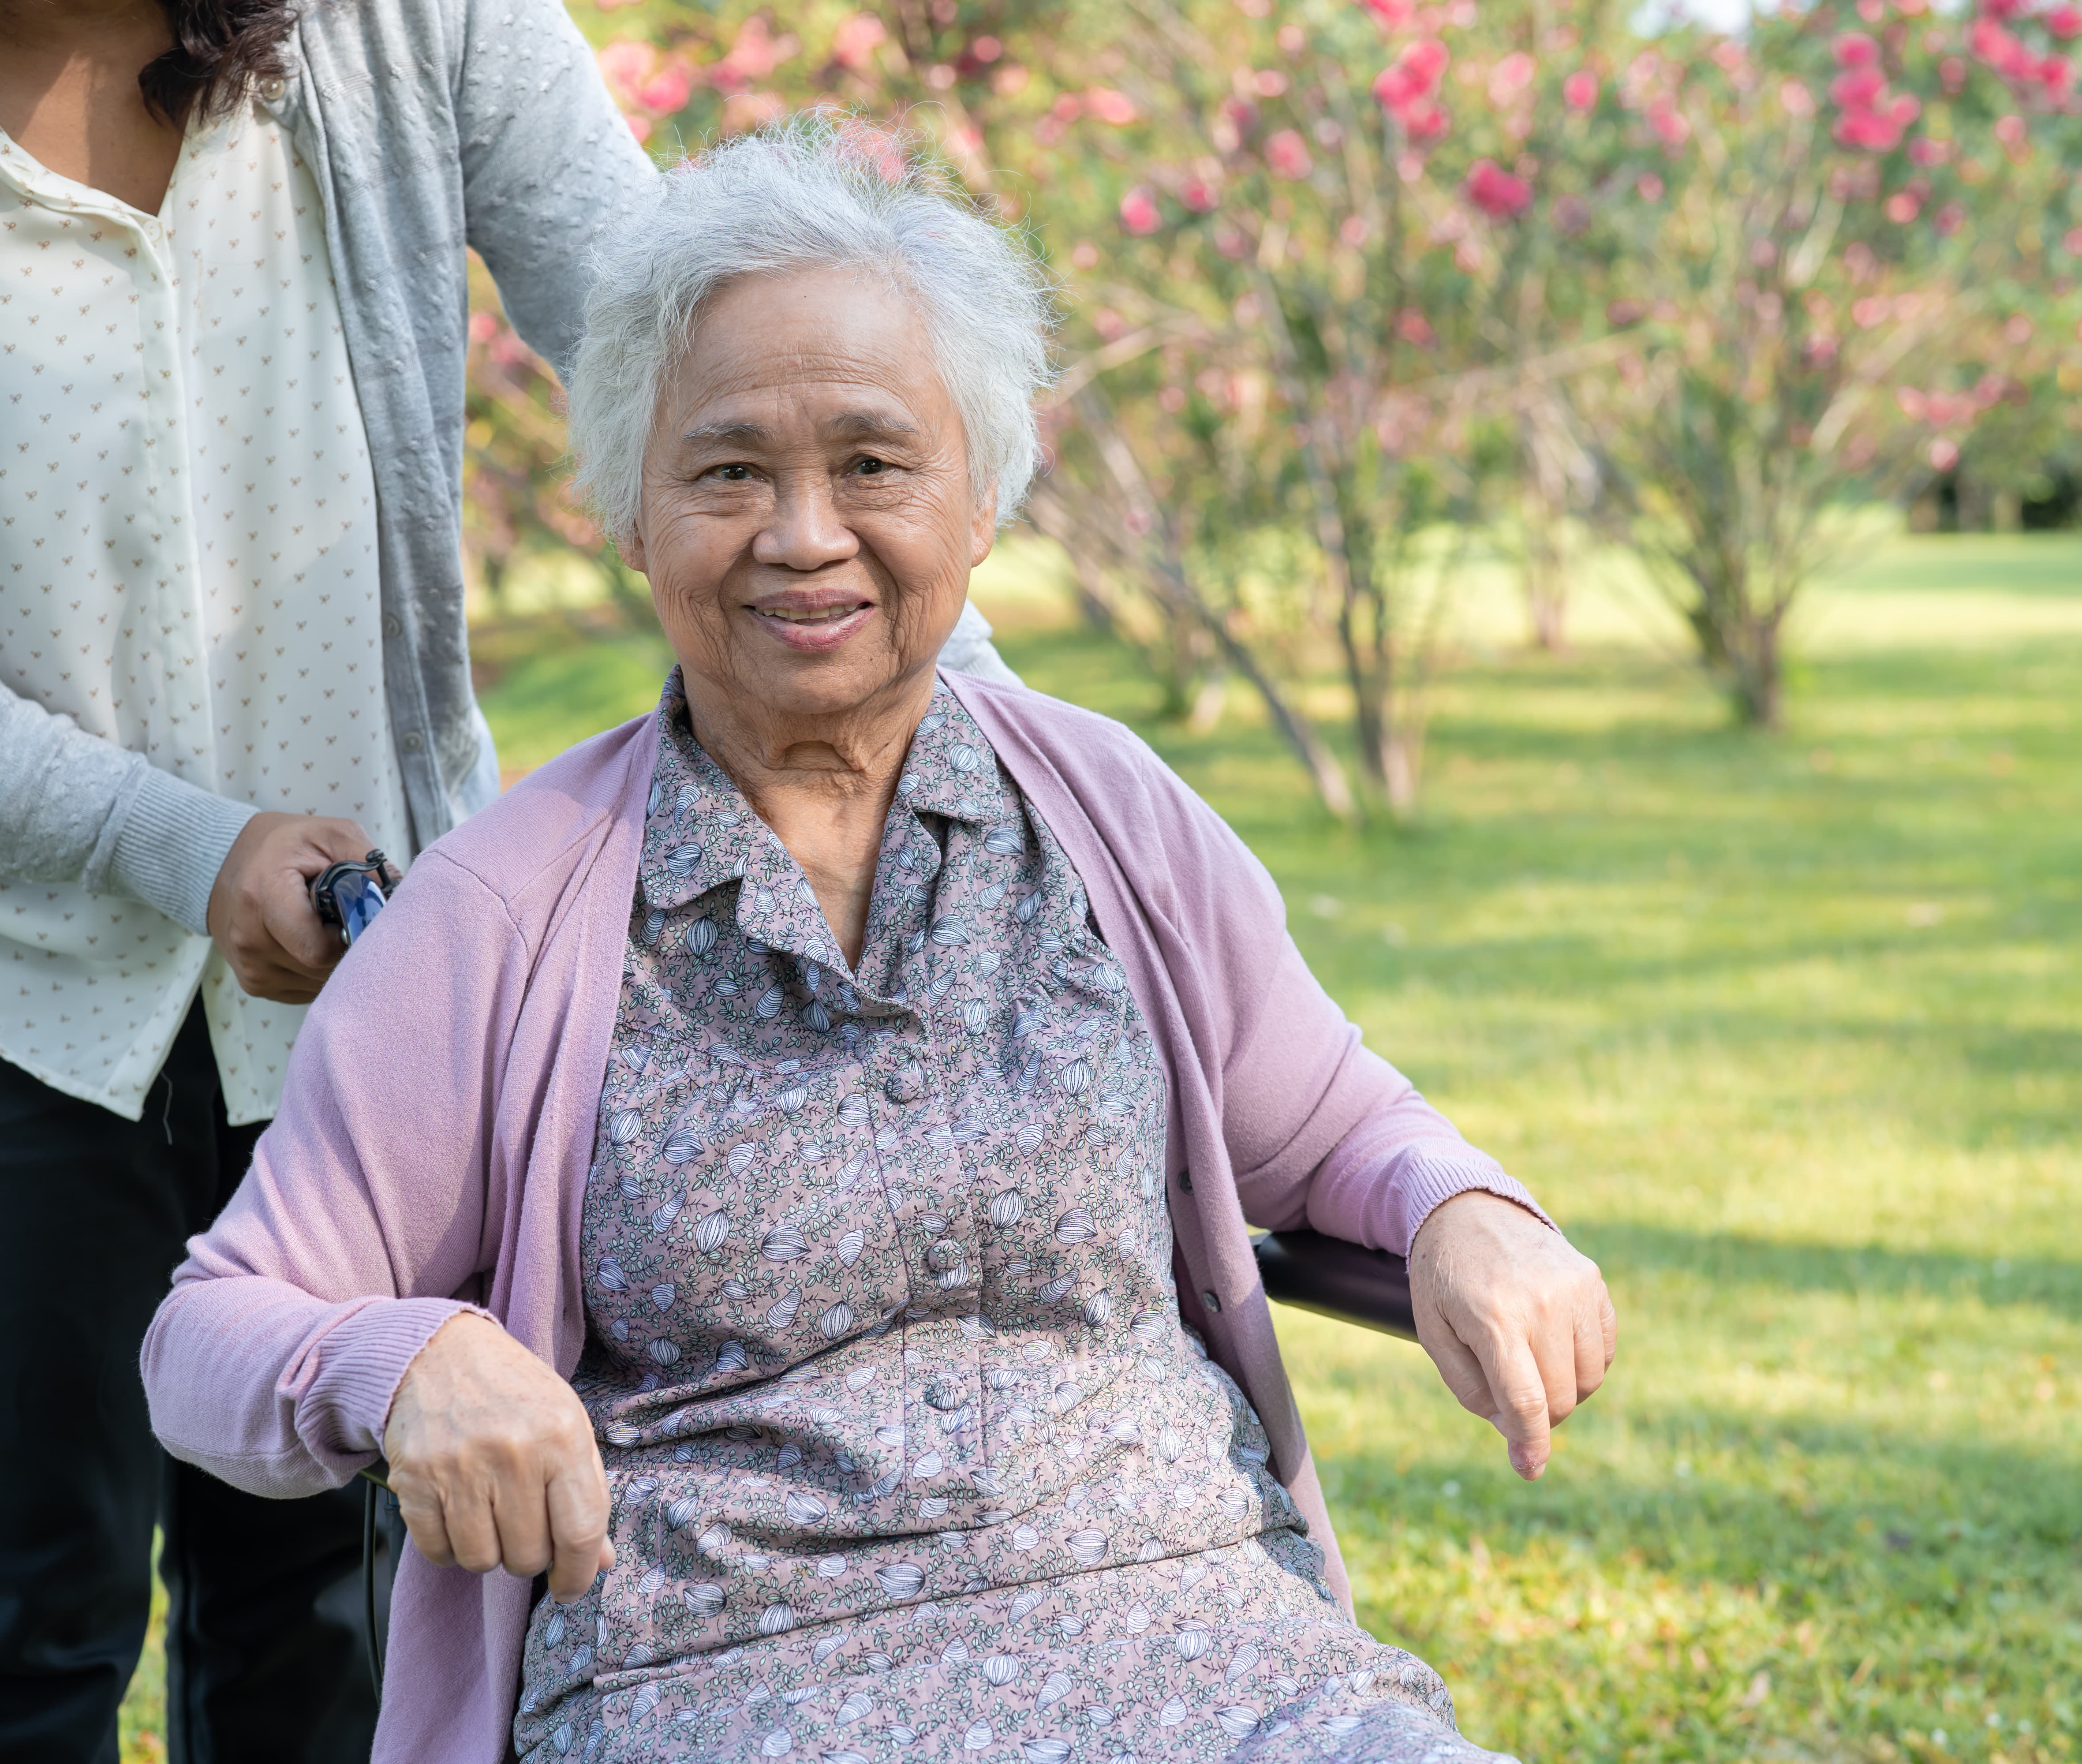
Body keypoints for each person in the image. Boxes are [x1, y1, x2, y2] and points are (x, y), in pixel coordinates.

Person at [0, 2, 1015, 1759]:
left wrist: (997, 738)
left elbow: (709, 362)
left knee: (336, 1633)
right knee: (10, 1632)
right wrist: (187, 851)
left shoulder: (413, 24)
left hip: (384, 986)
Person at [141, 121, 1617, 1764]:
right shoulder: (508, 910)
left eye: (871, 464)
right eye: (726, 471)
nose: (802, 534)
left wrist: (1463, 1211)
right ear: (632, 517)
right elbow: (214, 1329)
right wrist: (403, 1356)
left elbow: (1333, 1125)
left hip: (1199, 1638)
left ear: (980, 504)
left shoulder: (1110, 812)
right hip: (723, 1677)